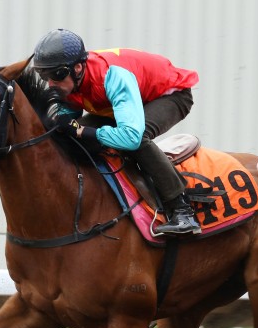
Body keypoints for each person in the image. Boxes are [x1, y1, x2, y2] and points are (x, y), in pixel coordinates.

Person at [32, 28, 201, 235]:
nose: (51, 84)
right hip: (118, 105)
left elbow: (130, 137)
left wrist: (85, 132)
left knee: (137, 140)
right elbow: (69, 121)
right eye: (45, 76)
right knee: (71, 138)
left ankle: (182, 210)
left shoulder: (112, 76)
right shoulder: (70, 80)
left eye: (56, 76)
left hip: (168, 96)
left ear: (77, 68)